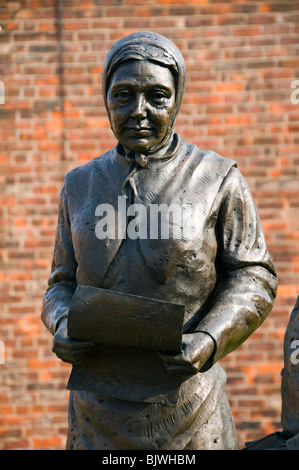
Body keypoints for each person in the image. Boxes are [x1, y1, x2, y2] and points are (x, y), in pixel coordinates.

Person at [41, 31, 277, 450]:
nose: (139, 111)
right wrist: (61, 321)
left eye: (157, 96)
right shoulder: (79, 185)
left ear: (178, 98)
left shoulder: (217, 177)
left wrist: (208, 339)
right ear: (106, 98)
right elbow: (60, 284)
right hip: (96, 412)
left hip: (190, 407)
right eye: (124, 95)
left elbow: (254, 276)